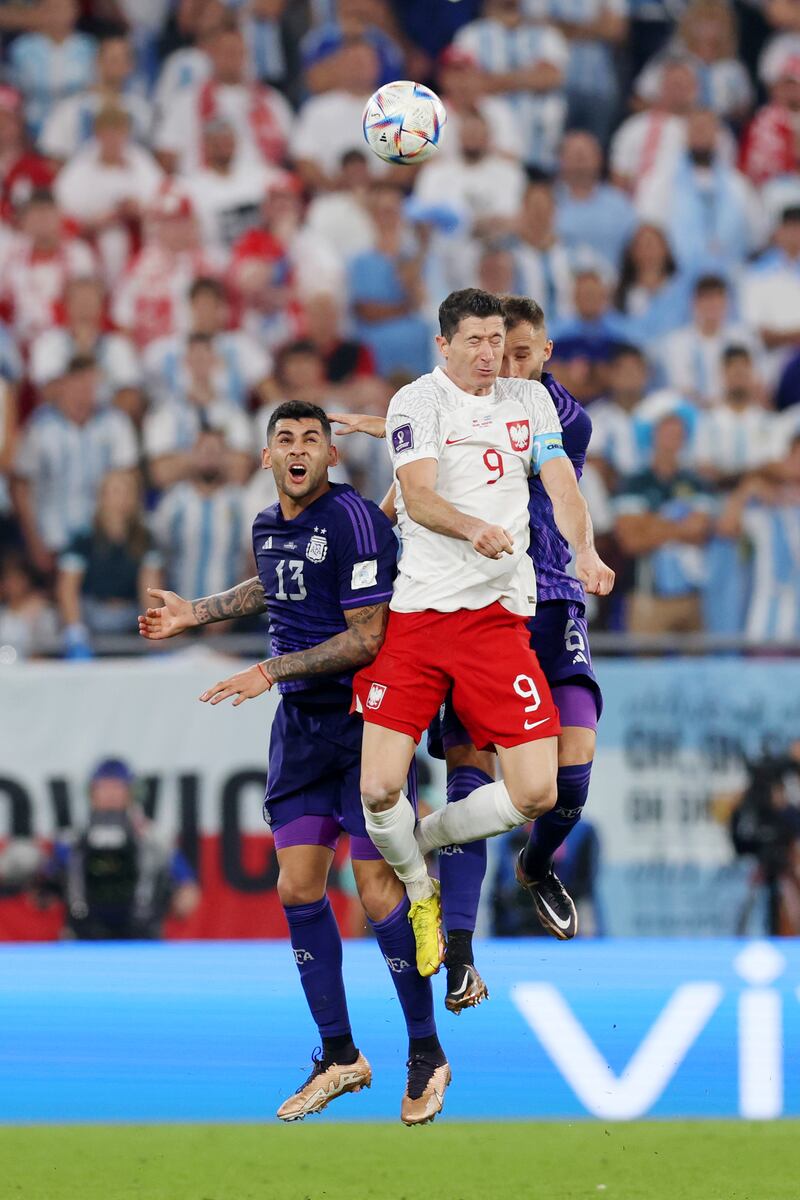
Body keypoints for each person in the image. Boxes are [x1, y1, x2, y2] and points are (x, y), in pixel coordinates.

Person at [138, 400, 450, 1126]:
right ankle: (340, 1054)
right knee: (296, 886)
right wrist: (198, 613)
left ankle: (426, 1049)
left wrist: (270, 671)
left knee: (374, 894)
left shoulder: (355, 519)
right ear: (266, 458)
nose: (300, 447)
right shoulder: (267, 525)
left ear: (332, 456)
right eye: (286, 438)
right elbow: (271, 587)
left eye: (313, 437)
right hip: (303, 734)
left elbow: (368, 637)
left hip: (366, 722)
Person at [332, 295, 607, 1005]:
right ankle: (438, 917)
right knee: (382, 788)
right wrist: (466, 524)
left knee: (550, 786)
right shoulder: (416, 401)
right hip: (422, 618)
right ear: (444, 344)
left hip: (509, 616)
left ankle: (490, 857)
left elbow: (563, 481)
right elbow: (413, 497)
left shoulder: (540, 405)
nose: (495, 355)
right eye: (481, 342)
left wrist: (585, 549)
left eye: (506, 343)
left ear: (539, 351)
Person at [42, 758, 200, 940]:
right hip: (83, 935)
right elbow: (44, 890)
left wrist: (182, 899)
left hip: (141, 935)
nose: (111, 794)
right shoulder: (72, 840)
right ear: (92, 793)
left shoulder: (153, 839)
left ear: (131, 793)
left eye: (117, 787)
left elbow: (187, 886)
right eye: (104, 787)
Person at [56, 469, 163, 656]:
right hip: (91, 618)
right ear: (102, 497)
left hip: (130, 618)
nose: (121, 499)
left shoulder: (146, 539)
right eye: (115, 492)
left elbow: (150, 589)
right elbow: (68, 588)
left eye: (127, 492)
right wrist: (75, 629)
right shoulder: (83, 538)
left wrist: (154, 628)